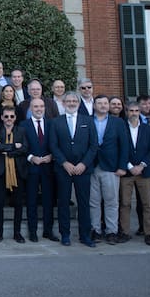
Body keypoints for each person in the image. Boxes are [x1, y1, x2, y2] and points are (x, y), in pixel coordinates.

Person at [49, 92, 98, 247]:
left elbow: (93, 145)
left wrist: (83, 164)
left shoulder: (88, 121)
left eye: (74, 101)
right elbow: (53, 145)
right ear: (63, 103)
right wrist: (64, 163)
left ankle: (85, 235)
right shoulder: (56, 122)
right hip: (63, 169)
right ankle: (65, 235)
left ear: (78, 103)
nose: (71, 103)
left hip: (83, 169)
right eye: (68, 101)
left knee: (84, 203)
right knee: (63, 202)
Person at [89, 95, 129, 245]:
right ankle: (95, 230)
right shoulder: (87, 120)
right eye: (99, 103)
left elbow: (124, 146)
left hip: (111, 167)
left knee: (111, 201)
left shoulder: (118, 122)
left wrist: (122, 166)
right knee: (93, 201)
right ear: (94, 106)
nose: (103, 105)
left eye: (105, 103)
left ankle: (111, 231)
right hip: (91, 166)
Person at [118, 102, 150, 246]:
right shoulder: (121, 127)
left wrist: (141, 165)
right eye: (131, 110)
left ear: (140, 112)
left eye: (136, 111)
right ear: (127, 112)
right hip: (127, 172)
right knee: (124, 203)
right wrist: (129, 166)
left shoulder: (147, 129)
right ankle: (124, 232)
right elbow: (119, 148)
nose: (134, 113)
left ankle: (149, 233)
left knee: (147, 204)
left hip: (144, 172)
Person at [22, 97, 58, 243]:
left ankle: (48, 231)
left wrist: (51, 156)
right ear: (31, 108)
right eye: (36, 107)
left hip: (48, 168)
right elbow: (21, 146)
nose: (39, 109)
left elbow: (57, 144)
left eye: (41, 106)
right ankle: (32, 231)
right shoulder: (23, 125)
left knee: (48, 200)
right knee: (31, 200)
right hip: (31, 168)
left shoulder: (52, 124)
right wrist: (31, 157)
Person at [0, 105, 28, 243]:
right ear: (1, 117)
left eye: (11, 116)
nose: (9, 119)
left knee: (18, 203)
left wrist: (7, 149)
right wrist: (14, 146)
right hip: (1, 171)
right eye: (6, 116)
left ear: (15, 118)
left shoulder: (21, 130)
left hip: (17, 171)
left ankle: (17, 232)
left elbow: (24, 148)